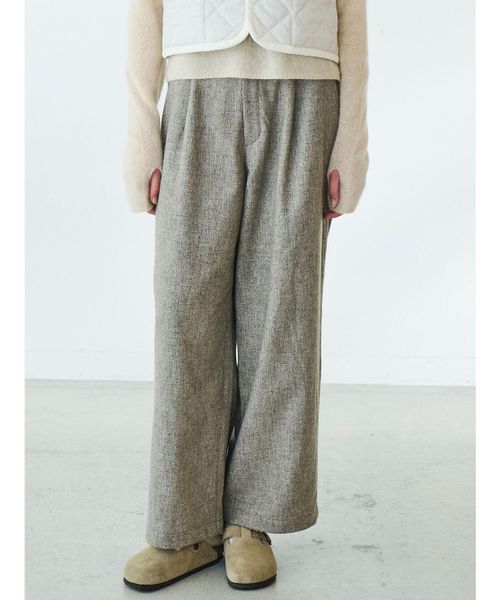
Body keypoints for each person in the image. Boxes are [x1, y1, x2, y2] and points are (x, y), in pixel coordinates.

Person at [122, 0, 368, 591]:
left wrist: (352, 141)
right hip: (195, 96)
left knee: (283, 317)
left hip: (307, 95)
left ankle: (251, 521)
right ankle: (184, 526)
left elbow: (353, 14)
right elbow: (145, 10)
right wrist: (141, 134)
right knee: (185, 317)